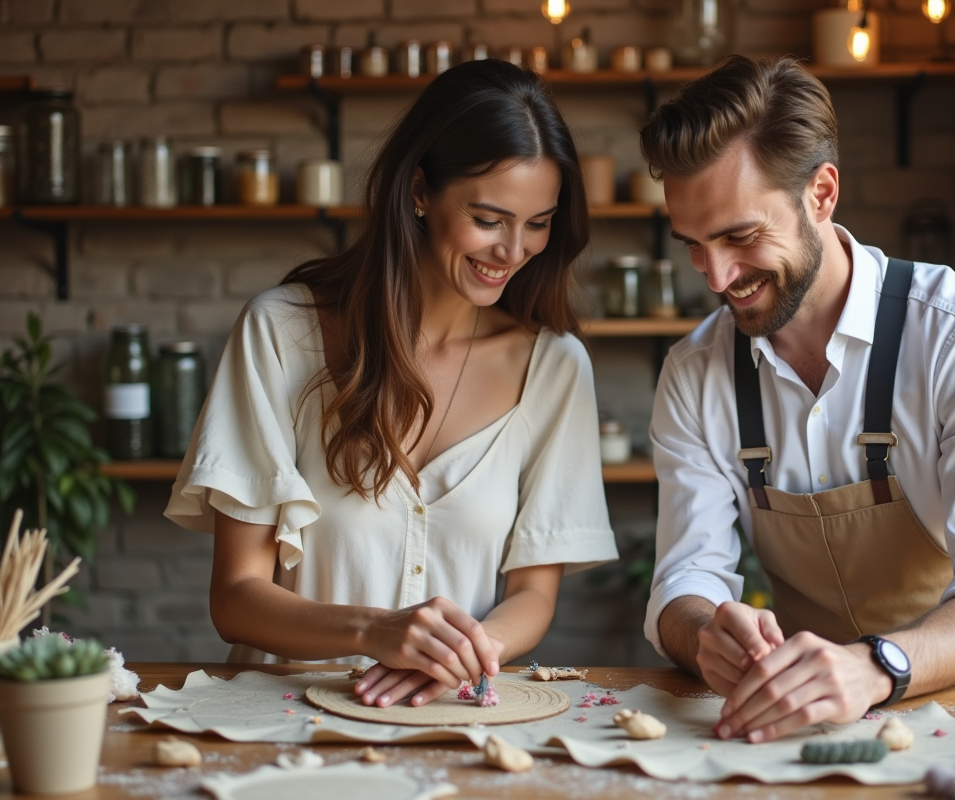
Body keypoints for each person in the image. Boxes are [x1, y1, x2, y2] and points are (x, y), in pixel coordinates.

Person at [165, 60, 617, 710]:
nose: (514, 251)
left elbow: (533, 595)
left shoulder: (555, 367)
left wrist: (456, 656)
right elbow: (235, 597)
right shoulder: (283, 333)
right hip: (282, 728)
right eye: (489, 218)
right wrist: (378, 632)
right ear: (418, 192)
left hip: (451, 723)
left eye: (538, 223)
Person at [641, 55, 955, 743]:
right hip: (805, 717)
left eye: (740, 237)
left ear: (822, 194)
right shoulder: (694, 373)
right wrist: (705, 632)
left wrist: (875, 667)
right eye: (694, 246)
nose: (717, 276)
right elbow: (686, 576)